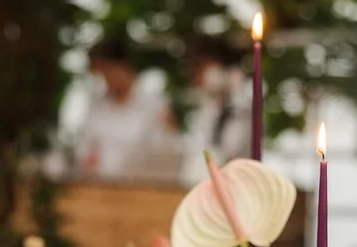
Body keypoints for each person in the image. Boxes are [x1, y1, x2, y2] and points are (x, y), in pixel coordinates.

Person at [69, 37, 180, 181]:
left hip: (143, 190)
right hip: (99, 189)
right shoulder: (96, 105)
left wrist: (169, 130)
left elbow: (168, 156)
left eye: (106, 71)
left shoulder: (154, 105)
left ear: (122, 66)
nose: (103, 79)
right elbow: (85, 149)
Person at [180, 33, 248, 165]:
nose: (195, 76)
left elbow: (232, 151)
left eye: (200, 67)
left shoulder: (243, 107)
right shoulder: (207, 107)